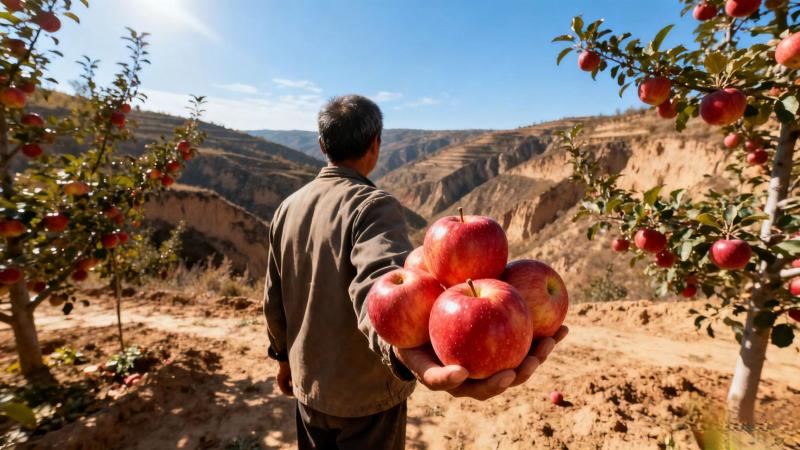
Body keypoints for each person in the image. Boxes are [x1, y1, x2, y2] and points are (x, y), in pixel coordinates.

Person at [264, 94, 568, 450]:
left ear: (321, 145)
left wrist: (282, 357)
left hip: (308, 386)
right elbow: (379, 283)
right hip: (367, 396)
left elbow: (273, 298)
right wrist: (399, 352)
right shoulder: (371, 206)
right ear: (375, 144)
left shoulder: (287, 209)